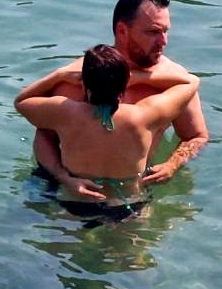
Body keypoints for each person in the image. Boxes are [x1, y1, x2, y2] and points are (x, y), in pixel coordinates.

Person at [18, 0, 209, 204]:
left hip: (133, 191)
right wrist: (61, 176)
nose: (163, 41)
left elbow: (196, 136)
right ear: (122, 31)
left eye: (166, 31)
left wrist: (172, 165)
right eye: (153, 32)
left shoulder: (174, 81)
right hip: (66, 190)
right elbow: (44, 136)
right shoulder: (79, 77)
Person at [15, 45, 200, 217]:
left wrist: (59, 75)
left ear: (85, 84)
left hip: (77, 199)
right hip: (129, 202)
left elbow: (21, 101)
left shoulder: (65, 112)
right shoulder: (144, 116)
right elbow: (191, 82)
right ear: (124, 84)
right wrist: (138, 77)